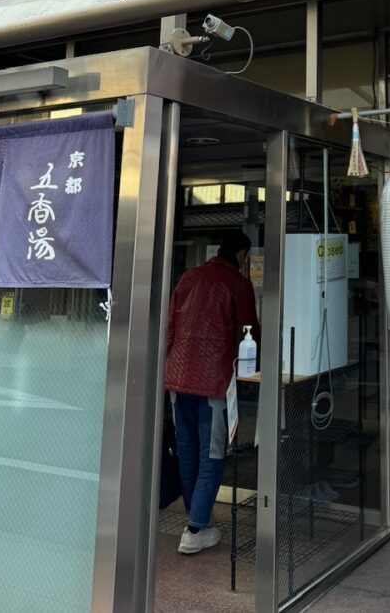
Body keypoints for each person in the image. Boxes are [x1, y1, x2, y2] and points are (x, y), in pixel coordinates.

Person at [165, 231, 260, 554]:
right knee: (213, 454)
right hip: (213, 382)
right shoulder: (238, 284)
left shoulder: (188, 278)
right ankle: (195, 529)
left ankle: (197, 521)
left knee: (187, 451)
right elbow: (249, 331)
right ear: (241, 254)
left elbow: (171, 327)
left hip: (178, 379)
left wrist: (168, 370)